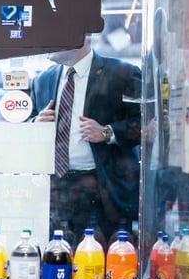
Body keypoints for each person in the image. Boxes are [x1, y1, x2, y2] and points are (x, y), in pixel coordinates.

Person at [31, 35, 143, 248]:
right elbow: (30, 121)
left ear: (79, 35)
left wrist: (107, 132)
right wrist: (36, 123)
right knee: (58, 258)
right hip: (55, 191)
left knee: (105, 261)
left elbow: (146, 124)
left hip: (103, 192)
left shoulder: (123, 74)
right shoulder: (42, 80)